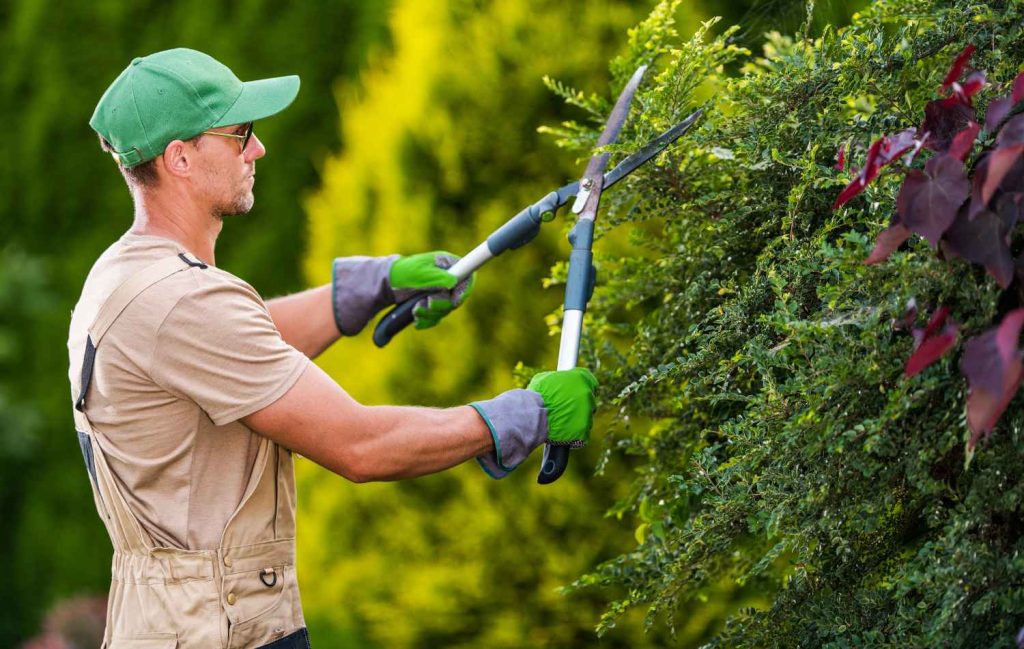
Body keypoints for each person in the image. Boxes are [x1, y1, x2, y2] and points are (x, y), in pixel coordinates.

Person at [68, 48, 598, 649]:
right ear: (180, 158)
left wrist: (372, 285)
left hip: (175, 621)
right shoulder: (182, 302)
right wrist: (526, 415)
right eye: (240, 134)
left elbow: (239, 346)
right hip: (218, 631)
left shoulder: (129, 277)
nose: (257, 149)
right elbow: (361, 446)